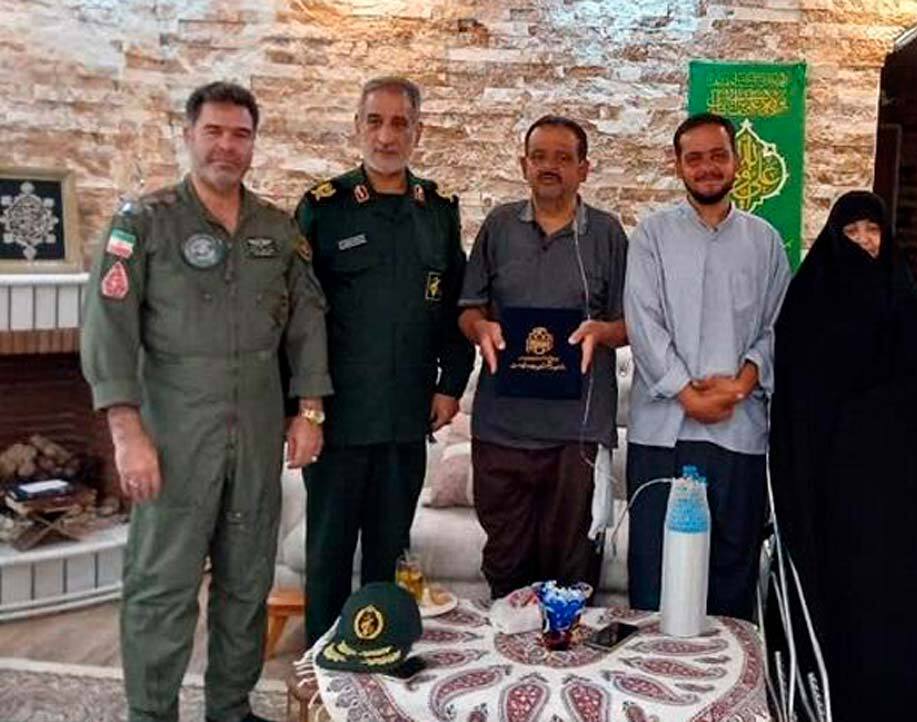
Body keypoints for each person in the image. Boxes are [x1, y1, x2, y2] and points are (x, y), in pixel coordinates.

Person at [81, 81, 330, 722]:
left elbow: (307, 322)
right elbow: (109, 329)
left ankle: (230, 708)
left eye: (240, 134)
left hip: (256, 431)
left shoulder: (276, 229)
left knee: (247, 582)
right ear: (188, 135)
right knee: (162, 583)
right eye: (214, 131)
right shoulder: (145, 223)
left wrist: (308, 411)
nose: (227, 146)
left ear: (253, 142)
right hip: (172, 434)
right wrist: (126, 434)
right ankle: (151, 712)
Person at [295, 76, 474, 646]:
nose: (386, 135)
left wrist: (450, 384)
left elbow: (457, 305)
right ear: (358, 126)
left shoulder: (438, 211)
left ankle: (379, 659)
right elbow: (297, 315)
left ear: (418, 131)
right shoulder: (325, 208)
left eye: (400, 123)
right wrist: (302, 407)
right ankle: (323, 668)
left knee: (390, 554)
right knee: (328, 554)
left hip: (405, 418)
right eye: (375, 121)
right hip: (340, 418)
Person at [766, 191, 917, 721]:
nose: (864, 240)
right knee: (832, 594)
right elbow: (796, 396)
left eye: (873, 229)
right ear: (833, 237)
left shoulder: (908, 302)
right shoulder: (808, 302)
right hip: (827, 486)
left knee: (885, 600)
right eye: (852, 231)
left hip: (895, 492)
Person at [623, 112, 791, 621]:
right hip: (663, 432)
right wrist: (687, 393)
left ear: (737, 162)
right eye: (694, 158)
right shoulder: (652, 236)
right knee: (656, 574)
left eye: (718, 156)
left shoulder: (765, 241)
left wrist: (741, 385)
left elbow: (778, 325)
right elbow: (643, 322)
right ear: (677, 166)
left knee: (729, 575)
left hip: (738, 433)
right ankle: (653, 672)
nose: (707, 167)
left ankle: (728, 671)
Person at [458, 115, 628, 599]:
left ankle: (568, 650)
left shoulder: (607, 234)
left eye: (563, 158)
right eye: (539, 157)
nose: (549, 166)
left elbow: (631, 323)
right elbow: (469, 307)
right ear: (523, 165)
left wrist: (604, 331)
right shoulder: (499, 226)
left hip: (577, 434)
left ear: (584, 169)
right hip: (502, 429)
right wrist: (480, 328)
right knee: (506, 568)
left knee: (572, 574)